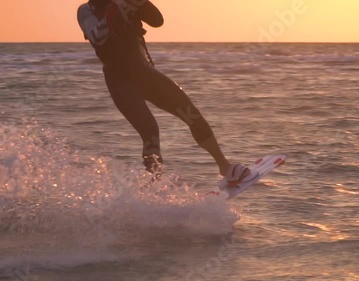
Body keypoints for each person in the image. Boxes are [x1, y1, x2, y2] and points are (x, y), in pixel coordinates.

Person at [77, 0, 250, 187]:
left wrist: (138, 4)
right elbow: (98, 38)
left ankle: (225, 166)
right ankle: (153, 186)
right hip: (120, 83)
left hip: (145, 74)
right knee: (150, 131)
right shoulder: (86, 11)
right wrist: (117, 9)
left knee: (190, 112)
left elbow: (157, 20)